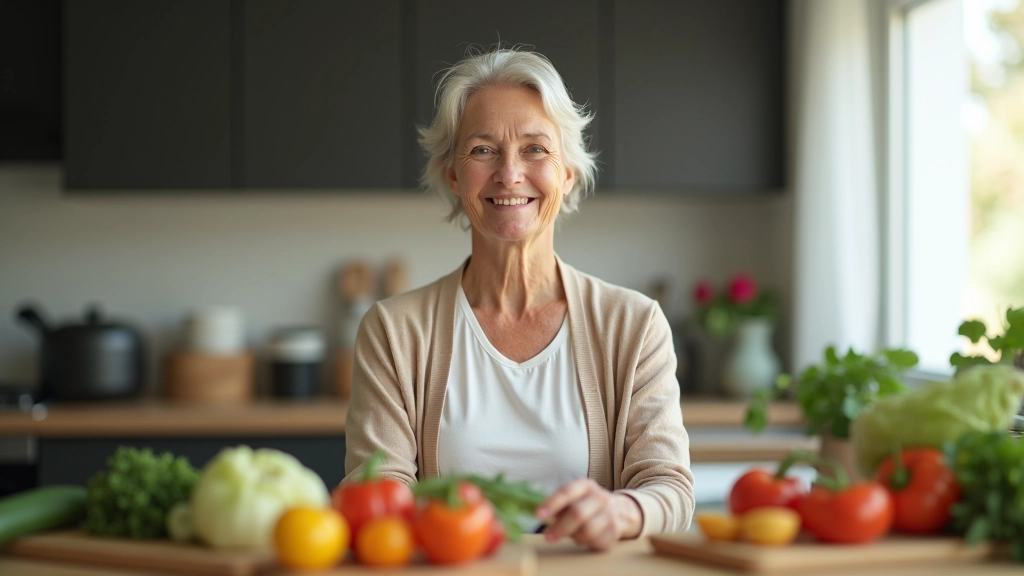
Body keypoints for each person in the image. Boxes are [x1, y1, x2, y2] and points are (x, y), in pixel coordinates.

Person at [343, 47, 694, 550]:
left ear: (567, 172)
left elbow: (672, 489)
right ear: (453, 174)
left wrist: (624, 509)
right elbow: (374, 489)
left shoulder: (634, 324)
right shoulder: (394, 330)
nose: (509, 173)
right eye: (483, 150)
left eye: (535, 149)